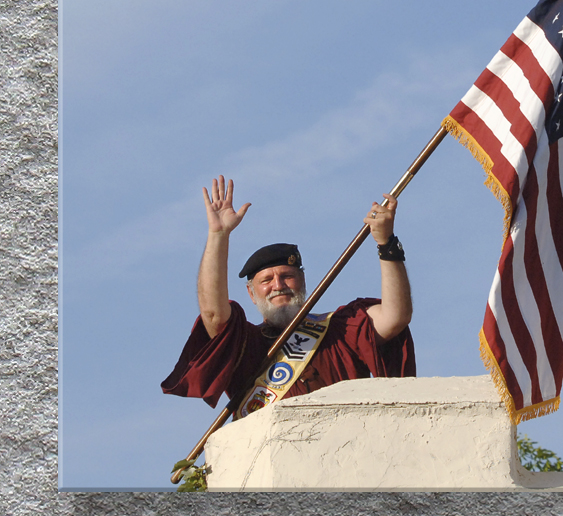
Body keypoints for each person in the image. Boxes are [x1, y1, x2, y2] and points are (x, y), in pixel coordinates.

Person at [161, 175, 415, 415]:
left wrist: (386, 243)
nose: (278, 285)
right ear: (251, 294)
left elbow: (395, 317)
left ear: (302, 281)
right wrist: (218, 236)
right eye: (266, 280)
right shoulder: (245, 343)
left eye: (287, 276)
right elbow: (214, 315)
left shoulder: (340, 328)